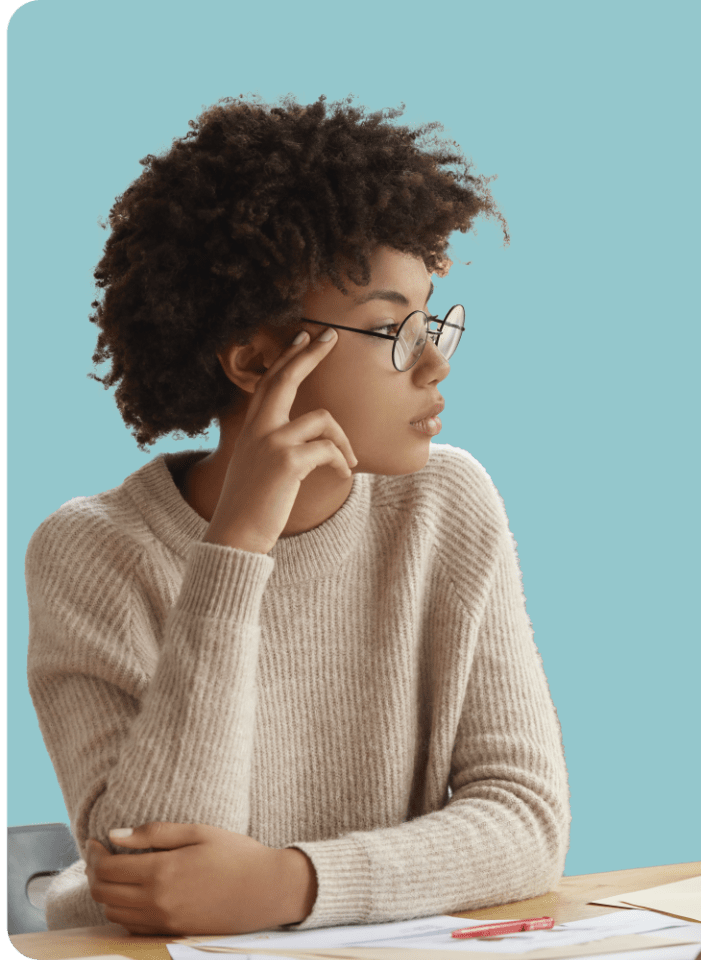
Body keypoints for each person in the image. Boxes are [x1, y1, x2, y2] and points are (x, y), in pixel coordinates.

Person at [25, 94, 571, 936]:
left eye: (432, 322)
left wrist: (293, 884)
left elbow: (527, 819)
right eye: (392, 330)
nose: (433, 365)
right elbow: (151, 884)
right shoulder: (92, 553)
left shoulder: (446, 503)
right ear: (256, 360)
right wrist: (234, 552)